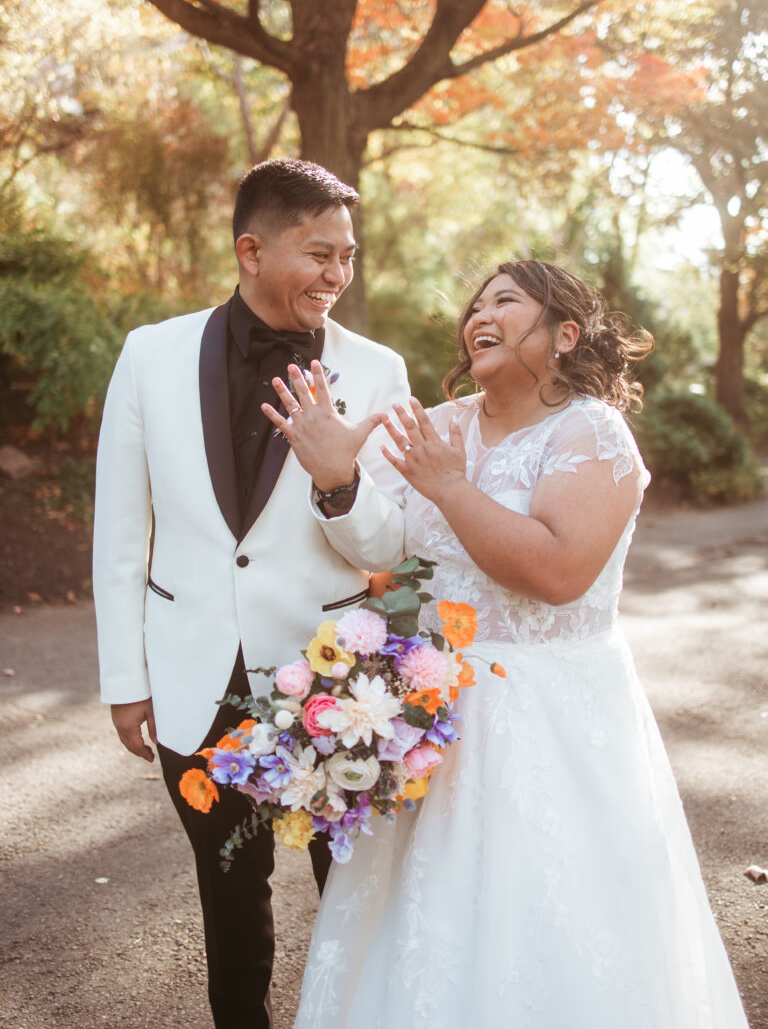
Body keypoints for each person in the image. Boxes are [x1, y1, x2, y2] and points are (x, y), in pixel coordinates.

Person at [291, 260, 750, 1028]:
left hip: (550, 722)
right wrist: (339, 480)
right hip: (433, 717)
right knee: (423, 931)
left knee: (546, 923)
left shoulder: (591, 431)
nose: (481, 314)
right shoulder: (439, 425)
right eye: (476, 305)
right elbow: (388, 550)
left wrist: (451, 488)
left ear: (565, 334)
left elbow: (558, 572)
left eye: (506, 301)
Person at [92, 158, 410, 1029]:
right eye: (320, 254)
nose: (338, 274)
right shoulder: (149, 354)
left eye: (348, 256)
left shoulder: (378, 370)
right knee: (229, 894)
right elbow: (119, 534)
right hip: (193, 676)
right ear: (251, 250)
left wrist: (340, 480)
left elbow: (389, 546)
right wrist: (125, 678)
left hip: (333, 683)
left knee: (350, 896)